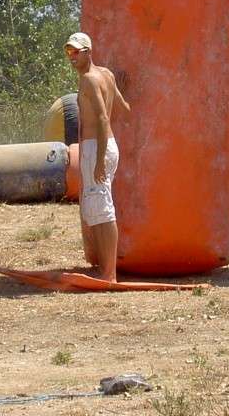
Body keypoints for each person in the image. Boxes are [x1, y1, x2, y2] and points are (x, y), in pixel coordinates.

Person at [64, 32, 130, 282]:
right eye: (69, 52)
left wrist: (100, 159)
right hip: (106, 145)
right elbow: (123, 107)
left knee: (103, 210)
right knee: (99, 209)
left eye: (76, 52)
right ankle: (107, 269)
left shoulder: (89, 80)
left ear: (88, 52)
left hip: (97, 148)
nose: (72, 57)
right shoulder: (107, 75)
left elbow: (103, 118)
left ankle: (109, 274)